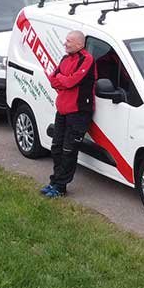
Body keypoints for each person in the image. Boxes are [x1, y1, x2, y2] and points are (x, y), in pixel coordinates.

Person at [40, 30, 95, 197]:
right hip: (62, 110)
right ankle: (55, 181)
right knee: (56, 147)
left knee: (68, 150)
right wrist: (66, 79)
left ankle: (61, 187)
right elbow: (52, 78)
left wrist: (65, 80)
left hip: (78, 113)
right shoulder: (65, 59)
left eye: (69, 41)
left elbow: (72, 81)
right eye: (66, 40)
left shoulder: (87, 59)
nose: (65, 43)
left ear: (80, 44)